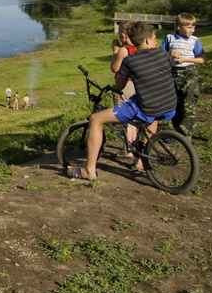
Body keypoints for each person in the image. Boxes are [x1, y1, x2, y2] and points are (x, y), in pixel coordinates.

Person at [69, 22, 177, 180]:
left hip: (146, 107)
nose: (156, 41)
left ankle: (89, 170)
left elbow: (119, 86)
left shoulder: (130, 60)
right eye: (155, 38)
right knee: (152, 117)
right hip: (169, 106)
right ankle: (140, 161)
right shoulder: (164, 54)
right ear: (147, 41)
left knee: (95, 119)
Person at [162, 12, 206, 137]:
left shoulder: (194, 41)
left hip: (189, 72)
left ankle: (186, 134)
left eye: (194, 27)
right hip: (172, 74)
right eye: (189, 27)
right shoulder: (169, 38)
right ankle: (177, 134)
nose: (192, 30)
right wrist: (169, 55)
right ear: (179, 27)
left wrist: (186, 60)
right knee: (175, 104)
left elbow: (203, 59)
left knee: (189, 103)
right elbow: (160, 55)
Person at [111, 22, 138, 156]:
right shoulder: (140, 47)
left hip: (125, 84)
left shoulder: (124, 50)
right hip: (137, 84)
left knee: (123, 114)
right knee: (134, 116)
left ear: (123, 35)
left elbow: (115, 68)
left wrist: (115, 51)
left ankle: (127, 149)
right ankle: (132, 144)